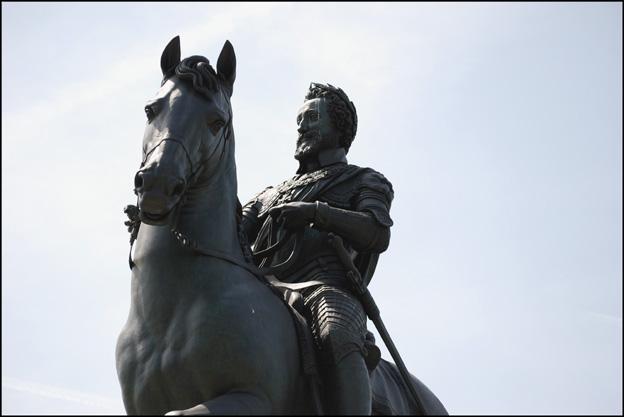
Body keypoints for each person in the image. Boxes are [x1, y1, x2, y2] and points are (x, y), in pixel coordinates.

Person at [241, 82, 394, 414]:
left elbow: (376, 232)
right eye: (299, 120)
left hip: (324, 289)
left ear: (337, 127)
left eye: (311, 118)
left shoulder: (364, 180)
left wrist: (315, 213)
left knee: (336, 331)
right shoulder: (269, 193)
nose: (301, 127)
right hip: (263, 287)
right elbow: (230, 230)